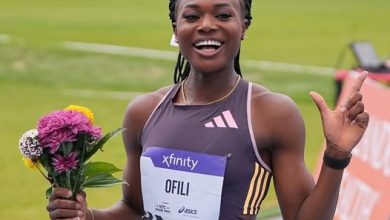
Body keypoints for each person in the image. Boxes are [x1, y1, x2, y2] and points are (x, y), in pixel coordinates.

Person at [46, 0, 369, 219]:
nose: (207, 25)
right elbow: (133, 210)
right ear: (175, 28)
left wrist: (335, 157)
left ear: (244, 25)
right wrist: (84, 215)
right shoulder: (144, 112)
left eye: (223, 15)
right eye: (191, 16)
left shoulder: (271, 114)